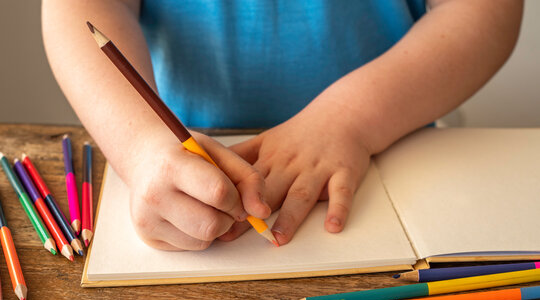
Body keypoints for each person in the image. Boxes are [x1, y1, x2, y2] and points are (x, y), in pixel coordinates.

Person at [41, 0, 523, 251]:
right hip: (183, 153)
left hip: (394, 143)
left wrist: (350, 118)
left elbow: (484, 10)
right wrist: (140, 146)